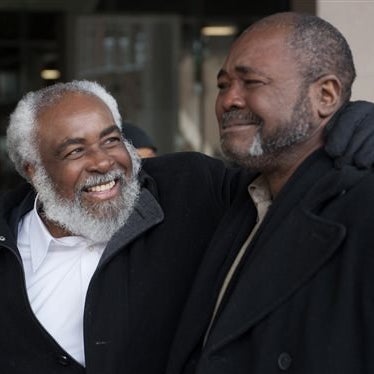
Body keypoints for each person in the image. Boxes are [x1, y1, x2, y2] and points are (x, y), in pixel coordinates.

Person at [0, 77, 374, 374]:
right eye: (75, 150)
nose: (103, 162)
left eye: (111, 140)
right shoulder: (9, 242)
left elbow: (282, 176)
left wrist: (345, 126)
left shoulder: (190, 188)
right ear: (34, 171)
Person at [166, 12, 374, 374]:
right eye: (222, 84)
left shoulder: (363, 208)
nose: (228, 100)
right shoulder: (238, 198)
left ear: (325, 95)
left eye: (252, 82)